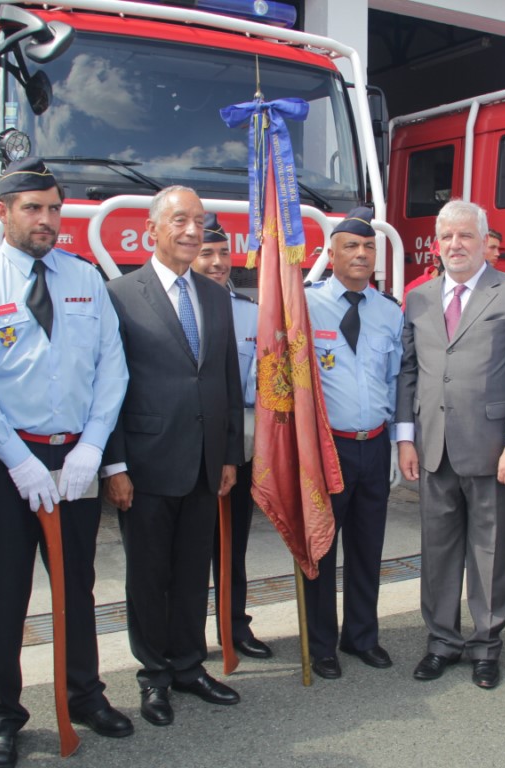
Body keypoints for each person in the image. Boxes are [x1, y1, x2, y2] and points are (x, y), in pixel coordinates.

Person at [0, 158, 132, 768]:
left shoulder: (83, 276)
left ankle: (85, 694)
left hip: (74, 457)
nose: (47, 219)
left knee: (76, 584)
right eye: (33, 208)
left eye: (54, 208)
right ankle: (2, 716)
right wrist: (15, 459)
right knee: (2, 593)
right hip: (6, 464)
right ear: (2, 212)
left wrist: (92, 447)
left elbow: (113, 368)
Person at [102, 186, 244, 727]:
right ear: (153, 228)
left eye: (199, 222)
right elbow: (108, 387)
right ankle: (154, 676)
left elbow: (226, 376)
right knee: (148, 576)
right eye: (180, 221)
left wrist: (230, 453)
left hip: (206, 464)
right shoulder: (119, 293)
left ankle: (189, 665)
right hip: (145, 464)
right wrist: (114, 465)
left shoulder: (214, 294)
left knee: (191, 573)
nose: (191, 231)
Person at [396, 199, 505, 690]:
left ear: (485, 242)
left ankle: (485, 644)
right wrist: (405, 438)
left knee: (489, 550)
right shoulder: (418, 298)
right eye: (446, 238)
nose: (454, 246)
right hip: (433, 446)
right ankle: (441, 640)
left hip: (490, 447)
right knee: (437, 551)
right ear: (436, 245)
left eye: (464, 236)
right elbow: (409, 372)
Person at [301, 206, 404, 679]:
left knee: (367, 546)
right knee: (320, 549)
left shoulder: (389, 311)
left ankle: (361, 635)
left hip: (373, 444)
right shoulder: (305, 304)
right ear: (331, 253)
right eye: (351, 246)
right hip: (327, 448)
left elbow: (393, 380)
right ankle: (321, 644)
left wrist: (398, 443)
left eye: (368, 247)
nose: (361, 254)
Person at [193, 213, 272, 660]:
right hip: (188, 447)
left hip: (233, 447)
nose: (219, 262)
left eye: (224, 253)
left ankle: (234, 625)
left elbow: (256, 384)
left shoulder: (248, 312)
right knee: (188, 549)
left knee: (232, 543)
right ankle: (184, 633)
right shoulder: (179, 306)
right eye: (208, 253)